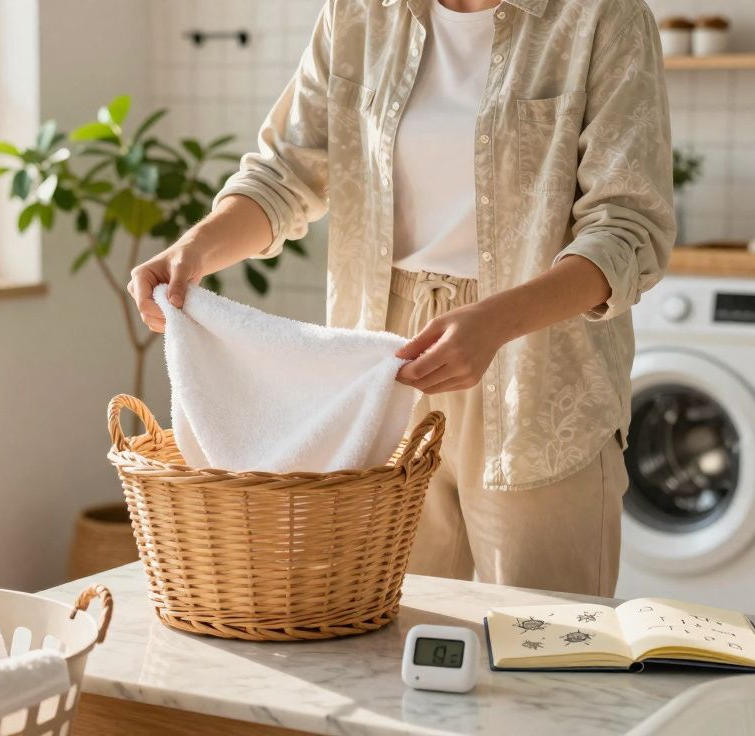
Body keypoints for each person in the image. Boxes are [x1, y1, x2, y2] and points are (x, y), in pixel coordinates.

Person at [127, 0, 675, 596]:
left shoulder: (602, 16)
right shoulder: (358, 13)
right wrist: (195, 249)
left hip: (540, 367)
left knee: (545, 635)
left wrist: (494, 322)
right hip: (381, 370)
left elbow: (627, 228)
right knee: (386, 625)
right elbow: (284, 173)